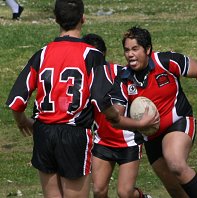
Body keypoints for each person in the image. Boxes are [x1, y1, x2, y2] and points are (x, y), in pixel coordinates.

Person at [5, 1, 157, 197]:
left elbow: (17, 98)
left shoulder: (42, 53)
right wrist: (136, 123)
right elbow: (103, 103)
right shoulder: (92, 55)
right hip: (74, 135)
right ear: (83, 19)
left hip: (43, 133)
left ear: (56, 19)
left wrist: (22, 121)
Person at [110, 26, 197, 198]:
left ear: (147, 49)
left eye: (135, 49)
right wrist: (138, 124)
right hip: (151, 136)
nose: (130, 54)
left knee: (176, 163)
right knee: (174, 189)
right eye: (126, 50)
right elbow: (116, 118)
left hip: (178, 122)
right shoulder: (123, 79)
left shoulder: (166, 61)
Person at [82, 33, 152, 198]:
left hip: (128, 141)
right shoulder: (81, 78)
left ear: (103, 55)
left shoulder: (121, 73)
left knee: (125, 192)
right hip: (102, 141)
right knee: (98, 190)